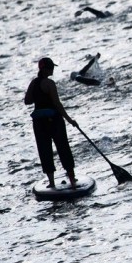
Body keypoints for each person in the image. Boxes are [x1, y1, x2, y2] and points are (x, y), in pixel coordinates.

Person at [24, 57, 78, 189]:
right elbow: (57, 104)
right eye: (51, 67)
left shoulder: (33, 83)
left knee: (44, 150)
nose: (53, 70)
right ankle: (71, 178)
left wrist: (38, 97)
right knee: (63, 147)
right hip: (54, 121)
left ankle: (52, 182)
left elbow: (27, 101)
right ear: (47, 69)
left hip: (39, 122)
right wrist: (70, 120)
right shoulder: (50, 83)